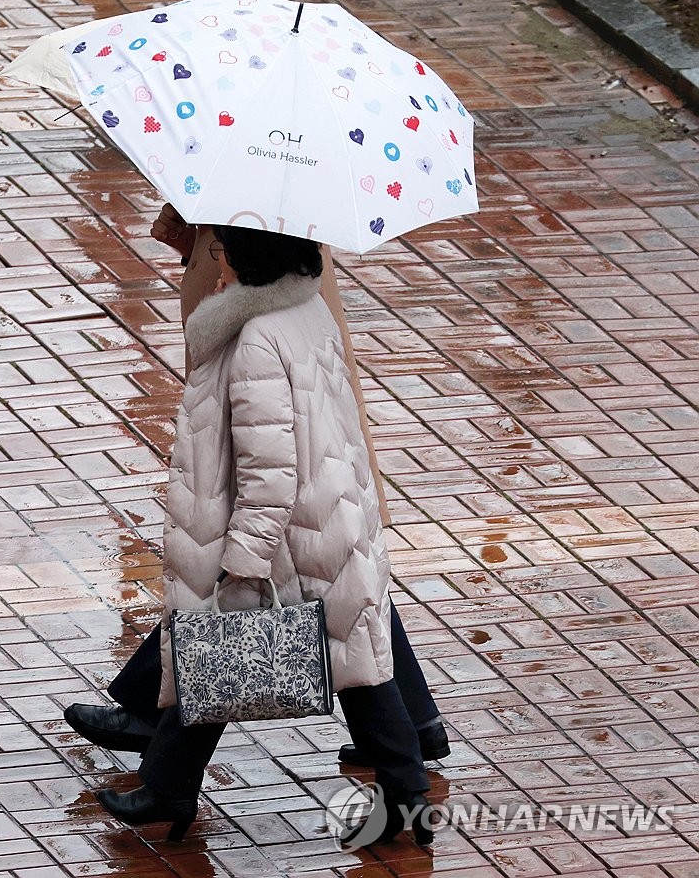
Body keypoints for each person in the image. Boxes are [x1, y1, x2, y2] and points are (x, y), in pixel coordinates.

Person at [64, 213, 442, 847]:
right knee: (330, 667)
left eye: (223, 247)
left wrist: (243, 558)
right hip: (331, 520)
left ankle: (172, 789)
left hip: (286, 537)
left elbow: (270, 472)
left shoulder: (257, 339)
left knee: (227, 648)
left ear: (238, 255)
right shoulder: (306, 312)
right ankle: (174, 788)